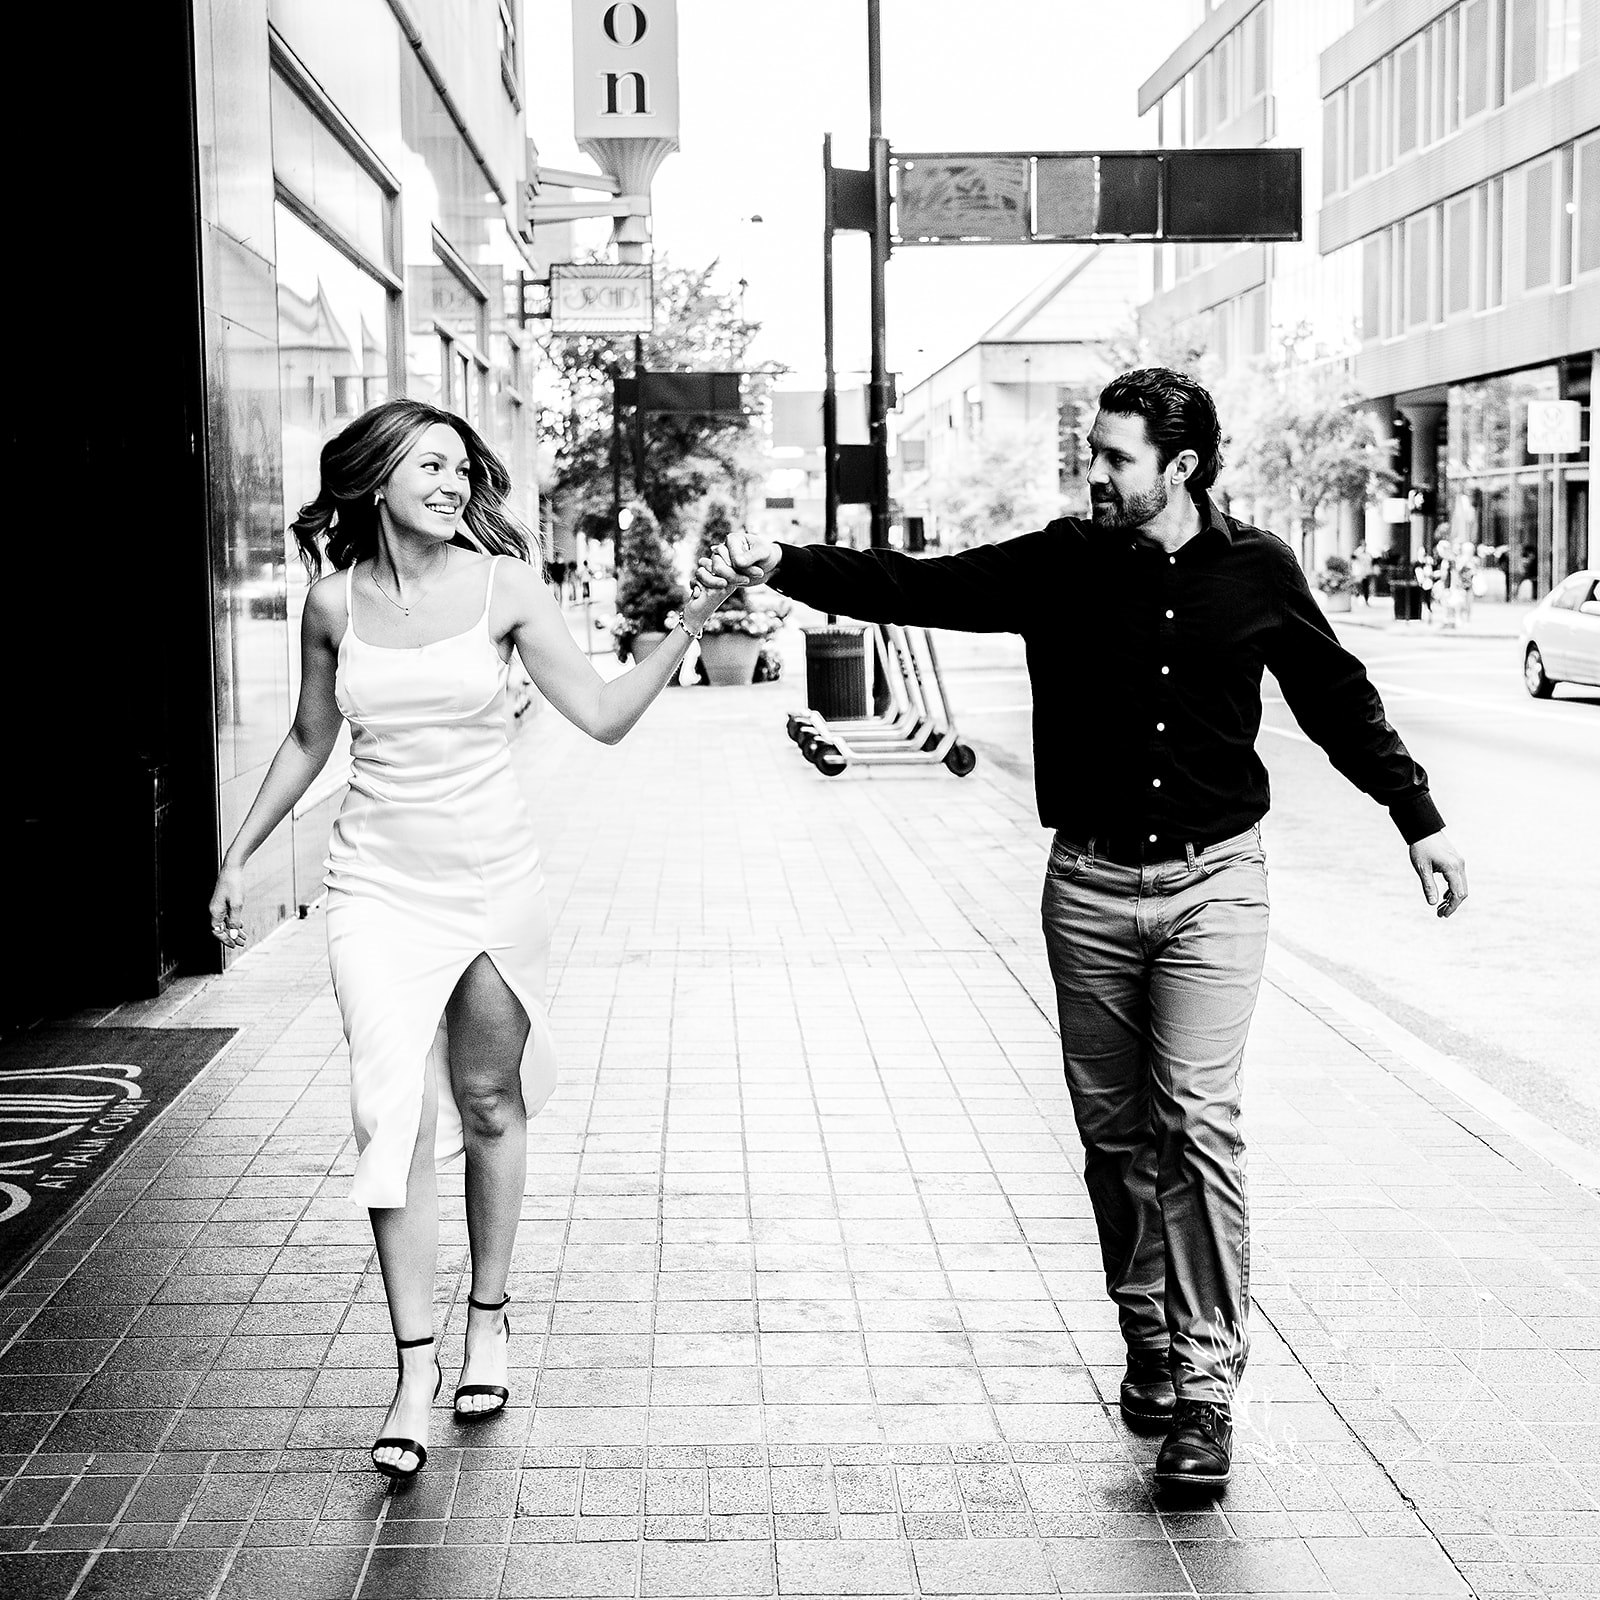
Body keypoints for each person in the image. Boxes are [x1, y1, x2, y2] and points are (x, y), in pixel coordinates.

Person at [701, 367, 1467, 1495]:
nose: (1092, 473)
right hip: (1091, 888)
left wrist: (1418, 817)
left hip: (1217, 884)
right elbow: (921, 583)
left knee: (1198, 1120)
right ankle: (1147, 1328)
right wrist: (787, 563)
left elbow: (1334, 695)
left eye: (1113, 457)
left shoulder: (1257, 571)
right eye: (1091, 453)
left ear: (1181, 468)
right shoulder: (1060, 562)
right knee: (1115, 1136)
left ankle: (1205, 1390)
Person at [208, 399, 730, 1483]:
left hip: (493, 883)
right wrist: (235, 856)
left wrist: (691, 620)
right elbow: (313, 738)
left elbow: (601, 713)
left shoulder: (505, 587)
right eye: (430, 465)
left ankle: (488, 1315)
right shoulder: (331, 602)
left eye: (459, 467)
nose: (452, 483)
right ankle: (411, 1367)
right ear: (373, 479)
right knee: (387, 1113)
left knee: (489, 1101)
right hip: (373, 889)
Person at [1350, 540, 1373, 604]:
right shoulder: (1357, 552)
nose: (1364, 546)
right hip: (1358, 573)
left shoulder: (1368, 554)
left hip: (1366, 573)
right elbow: (1353, 558)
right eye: (1363, 545)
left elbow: (1370, 563)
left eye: (1365, 545)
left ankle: (1366, 600)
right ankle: (1357, 597)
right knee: (1357, 586)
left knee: (1366, 587)